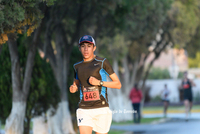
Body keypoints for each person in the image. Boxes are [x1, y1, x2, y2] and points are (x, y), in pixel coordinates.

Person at [69, 35, 121, 134]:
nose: (86, 49)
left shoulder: (102, 62)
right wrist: (73, 88)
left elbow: (118, 84)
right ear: (79, 48)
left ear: (94, 48)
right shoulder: (77, 67)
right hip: (84, 109)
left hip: (101, 108)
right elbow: (76, 84)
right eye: (83, 46)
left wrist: (99, 83)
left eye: (89, 46)